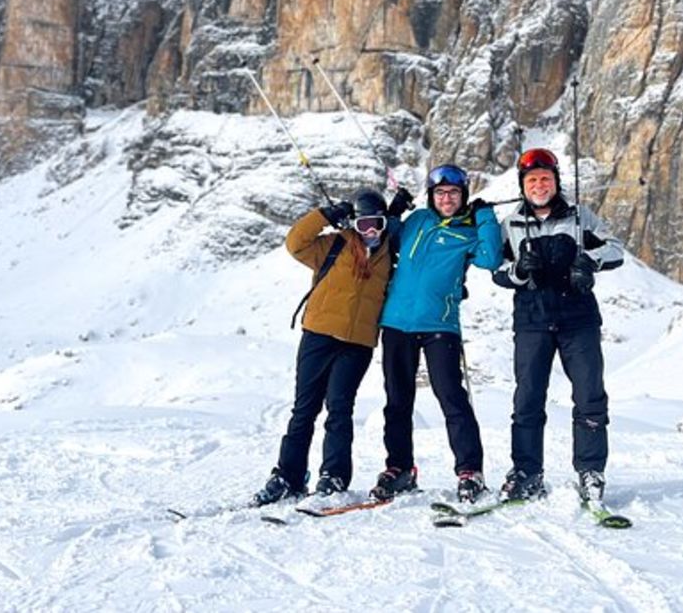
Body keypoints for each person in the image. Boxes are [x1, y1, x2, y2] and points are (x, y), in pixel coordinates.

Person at [492, 148, 624, 505]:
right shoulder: (511, 224)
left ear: (556, 182)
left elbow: (616, 249)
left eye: (545, 179)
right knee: (528, 399)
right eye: (532, 180)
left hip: (578, 320)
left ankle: (591, 473)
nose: (539, 185)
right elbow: (497, 269)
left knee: (589, 396)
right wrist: (519, 272)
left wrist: (588, 262)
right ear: (523, 185)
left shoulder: (581, 218)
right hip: (532, 321)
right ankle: (527, 473)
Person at [251, 188, 396, 505]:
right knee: (304, 410)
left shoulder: (390, 254)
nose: (370, 231)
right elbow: (295, 243)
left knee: (340, 411)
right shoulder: (334, 246)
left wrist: (398, 212)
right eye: (363, 224)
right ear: (353, 224)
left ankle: (334, 477)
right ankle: (288, 477)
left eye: (377, 224)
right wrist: (325, 216)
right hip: (318, 334)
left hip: (357, 344)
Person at [369, 164, 504, 503]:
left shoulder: (469, 231)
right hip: (397, 323)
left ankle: (470, 470)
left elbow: (490, 259)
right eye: (441, 193)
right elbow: (385, 237)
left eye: (454, 193)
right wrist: (394, 209)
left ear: (464, 197)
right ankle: (399, 469)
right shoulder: (418, 221)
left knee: (451, 398)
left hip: (439, 326)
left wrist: (485, 216)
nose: (447, 199)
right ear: (431, 196)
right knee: (397, 401)